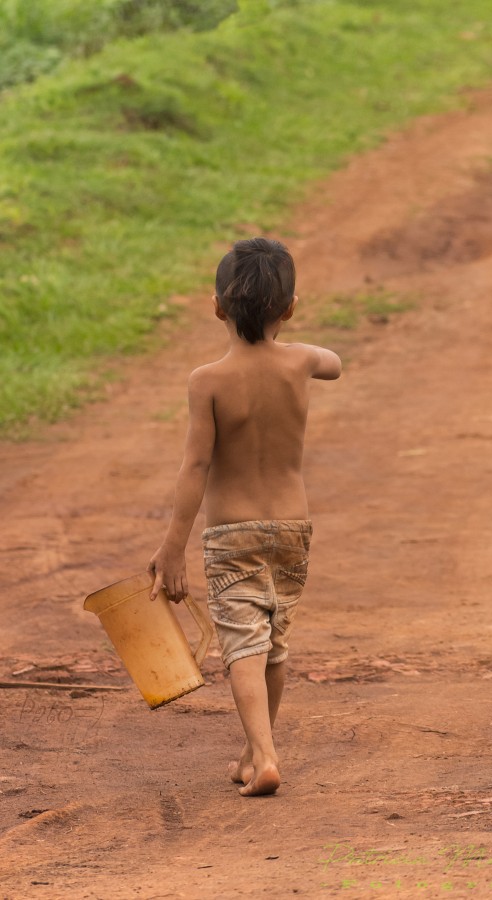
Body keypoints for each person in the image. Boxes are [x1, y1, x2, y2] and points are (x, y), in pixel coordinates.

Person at [148, 237, 342, 796]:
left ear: (216, 308)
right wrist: (293, 341)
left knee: (242, 647)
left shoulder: (206, 380)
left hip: (233, 534)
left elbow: (196, 466)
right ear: (290, 308)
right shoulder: (302, 362)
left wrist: (172, 548)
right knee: (272, 645)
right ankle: (251, 754)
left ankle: (264, 755)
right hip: (291, 532)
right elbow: (334, 363)